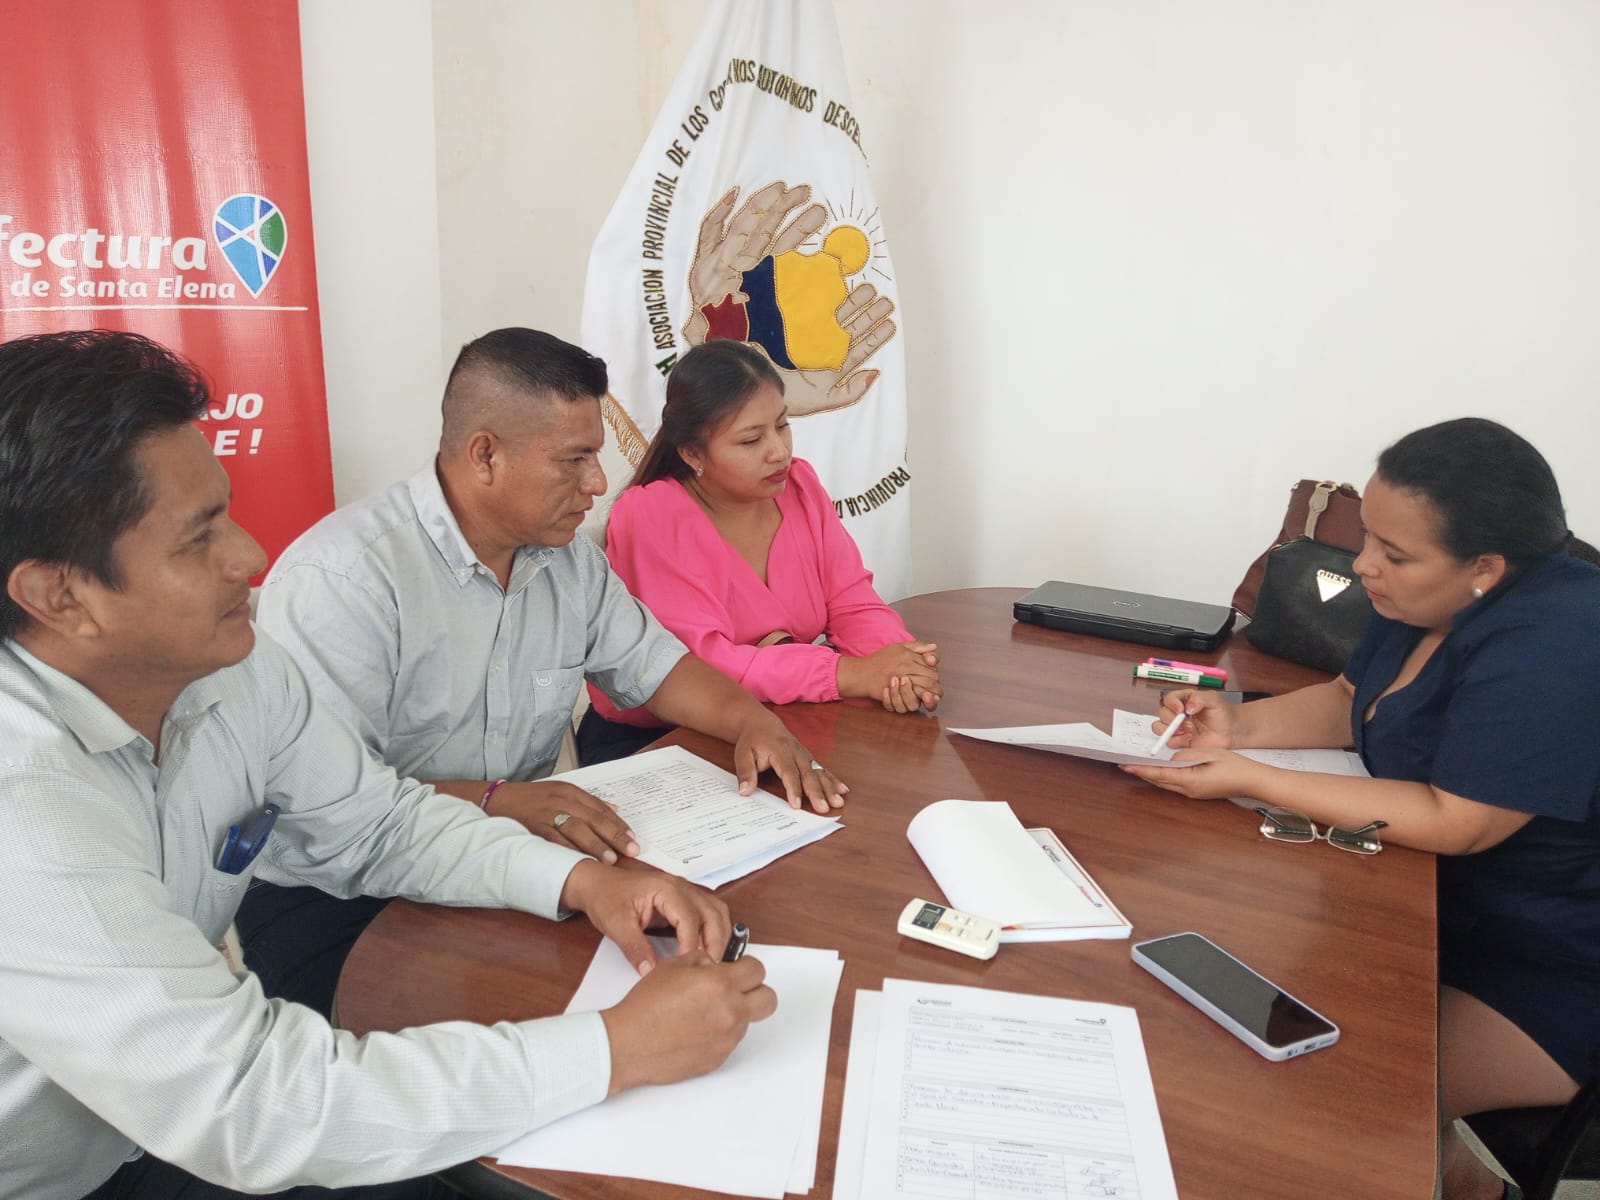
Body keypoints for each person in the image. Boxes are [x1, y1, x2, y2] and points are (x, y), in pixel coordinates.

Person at [0, 329, 777, 1200]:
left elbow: (380, 822)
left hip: (153, 1130)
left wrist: (583, 883)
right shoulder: (21, 805)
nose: (250, 558)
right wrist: (617, 1048)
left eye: (226, 513)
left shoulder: (231, 671)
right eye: (198, 538)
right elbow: (252, 1102)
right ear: (57, 595)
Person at [250, 328, 845, 1015]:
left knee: (686, 974)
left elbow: (657, 667)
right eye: (575, 460)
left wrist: (752, 722)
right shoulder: (345, 580)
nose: (599, 482)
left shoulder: (567, 561)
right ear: (485, 455)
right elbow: (330, 810)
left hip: (514, 857)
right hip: (340, 897)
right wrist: (495, 799)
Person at [1123, 418, 1600, 1200]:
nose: (1364, 564)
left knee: (1341, 1097)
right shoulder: (1416, 597)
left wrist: (1251, 777)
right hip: (1426, 902)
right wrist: (1235, 726)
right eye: (1368, 537)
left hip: (1546, 958)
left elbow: (1460, 820)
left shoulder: (1561, 641)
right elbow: (1352, 700)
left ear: (1485, 567)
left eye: (1394, 554)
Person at [579, 339, 941, 764]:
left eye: (782, 425)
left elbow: (853, 602)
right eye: (751, 440)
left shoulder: (799, 485)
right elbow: (700, 666)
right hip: (665, 738)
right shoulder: (651, 514)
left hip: (784, 716)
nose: (779, 452)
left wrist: (899, 667)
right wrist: (846, 673)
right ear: (692, 453)